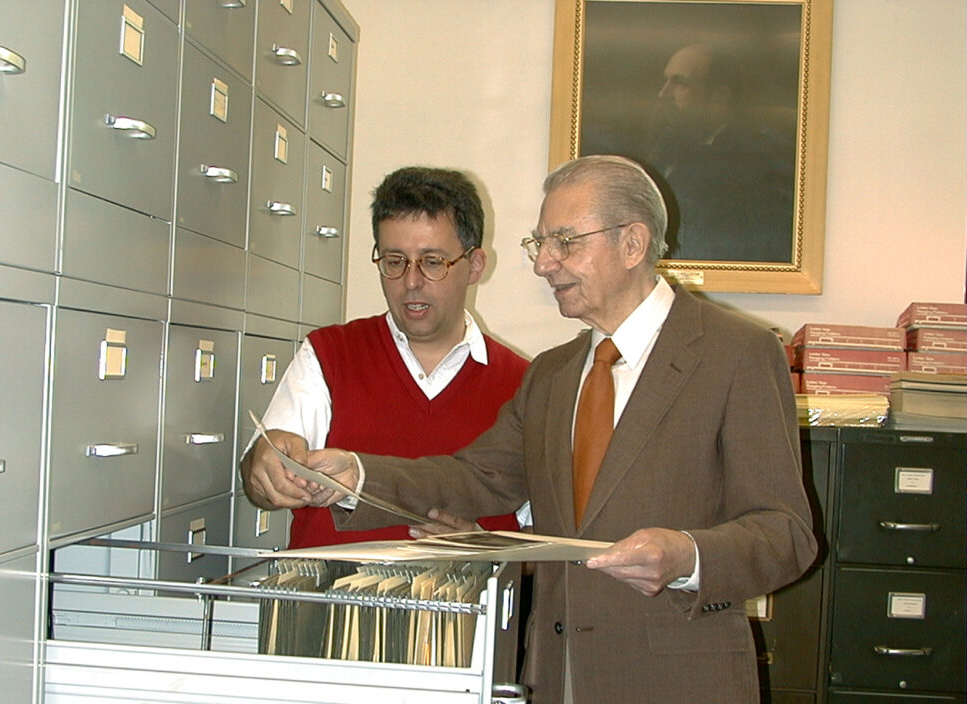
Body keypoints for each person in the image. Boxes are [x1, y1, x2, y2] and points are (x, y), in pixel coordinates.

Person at [268, 155, 817, 703]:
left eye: (564, 242)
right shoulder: (553, 373)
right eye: (540, 243)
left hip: (677, 682)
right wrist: (356, 477)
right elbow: (477, 477)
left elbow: (786, 533)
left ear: (632, 243)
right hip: (554, 677)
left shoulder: (738, 353)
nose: (543, 264)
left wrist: (687, 557)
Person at [240, 166, 528, 548]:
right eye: (394, 261)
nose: (411, 282)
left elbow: (542, 538)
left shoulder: (525, 383)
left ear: (474, 266)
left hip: (465, 588)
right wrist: (262, 467)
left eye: (432, 262)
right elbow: (261, 480)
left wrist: (486, 547)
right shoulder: (329, 355)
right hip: (331, 586)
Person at [646, 42, 795, 263]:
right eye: (666, 81)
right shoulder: (662, 150)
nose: (663, 94)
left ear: (720, 97)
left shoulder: (756, 167)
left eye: (680, 83)